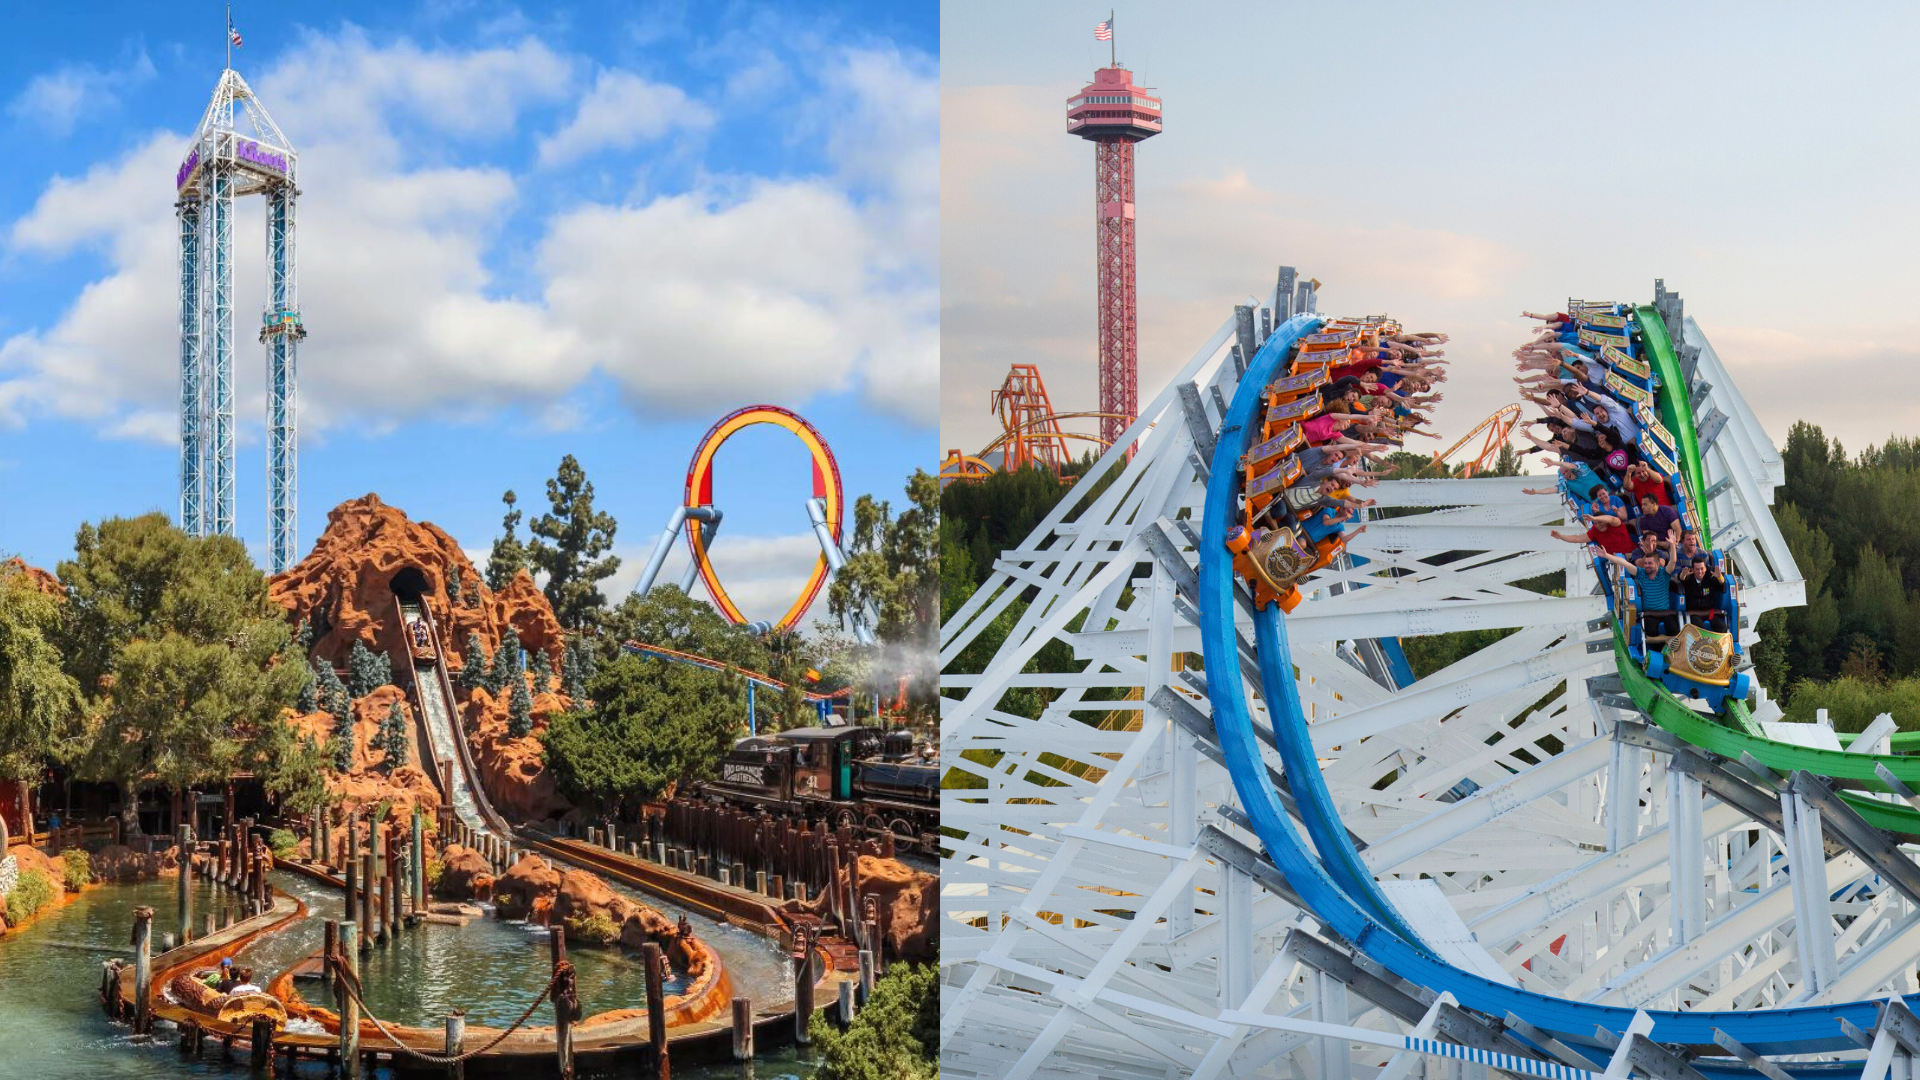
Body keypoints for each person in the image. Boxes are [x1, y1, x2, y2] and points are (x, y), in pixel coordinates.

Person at [1600, 542, 1681, 645]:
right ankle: (1664, 643)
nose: (1646, 566)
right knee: (1651, 633)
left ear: (1657, 564)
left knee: (1674, 629)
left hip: (1665, 612)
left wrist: (1672, 545)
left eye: (1650, 563)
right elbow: (1624, 563)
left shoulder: (1664, 573)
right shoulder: (1641, 573)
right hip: (1649, 613)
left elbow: (1673, 561)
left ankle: (1669, 643)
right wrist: (1606, 555)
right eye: (1646, 563)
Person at [1680, 556, 1728, 630]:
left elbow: (1721, 583)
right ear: (1692, 569)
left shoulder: (1710, 577)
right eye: (1697, 569)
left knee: (1721, 627)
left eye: (1702, 569)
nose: (1700, 572)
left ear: (1705, 568)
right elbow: (1681, 578)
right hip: (1694, 613)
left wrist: (1719, 577)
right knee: (1700, 627)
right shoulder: (1689, 578)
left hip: (1709, 613)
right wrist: (1683, 574)